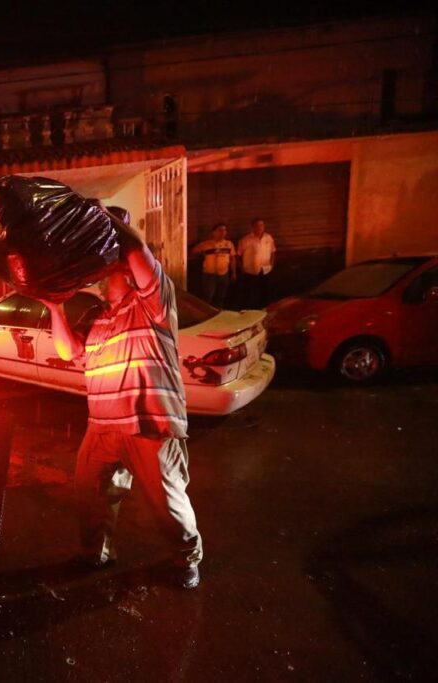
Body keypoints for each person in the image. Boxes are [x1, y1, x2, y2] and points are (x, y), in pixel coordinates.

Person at [43, 207, 203, 589]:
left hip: (149, 424)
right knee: (90, 494)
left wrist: (99, 217)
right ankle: (96, 553)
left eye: (106, 273)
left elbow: (135, 248)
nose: (99, 282)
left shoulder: (153, 306)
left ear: (127, 274)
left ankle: (186, 558)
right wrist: (53, 306)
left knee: (167, 504)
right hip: (101, 428)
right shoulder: (99, 317)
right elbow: (68, 351)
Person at [191, 222, 236, 307]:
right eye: (220, 230)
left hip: (223, 274)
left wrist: (234, 272)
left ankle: (219, 312)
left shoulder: (229, 244)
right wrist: (202, 250)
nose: (223, 232)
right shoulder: (206, 244)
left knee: (221, 296)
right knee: (208, 296)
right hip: (209, 274)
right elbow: (194, 251)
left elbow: (233, 258)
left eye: (224, 230)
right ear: (214, 232)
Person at [236, 218, 276, 309]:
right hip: (251, 271)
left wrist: (272, 264)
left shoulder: (268, 237)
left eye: (262, 225)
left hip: (265, 270)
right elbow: (238, 255)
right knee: (252, 293)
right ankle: (253, 311)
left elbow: (273, 251)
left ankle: (265, 309)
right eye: (257, 225)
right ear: (252, 227)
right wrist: (241, 268)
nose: (260, 227)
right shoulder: (245, 240)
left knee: (266, 291)